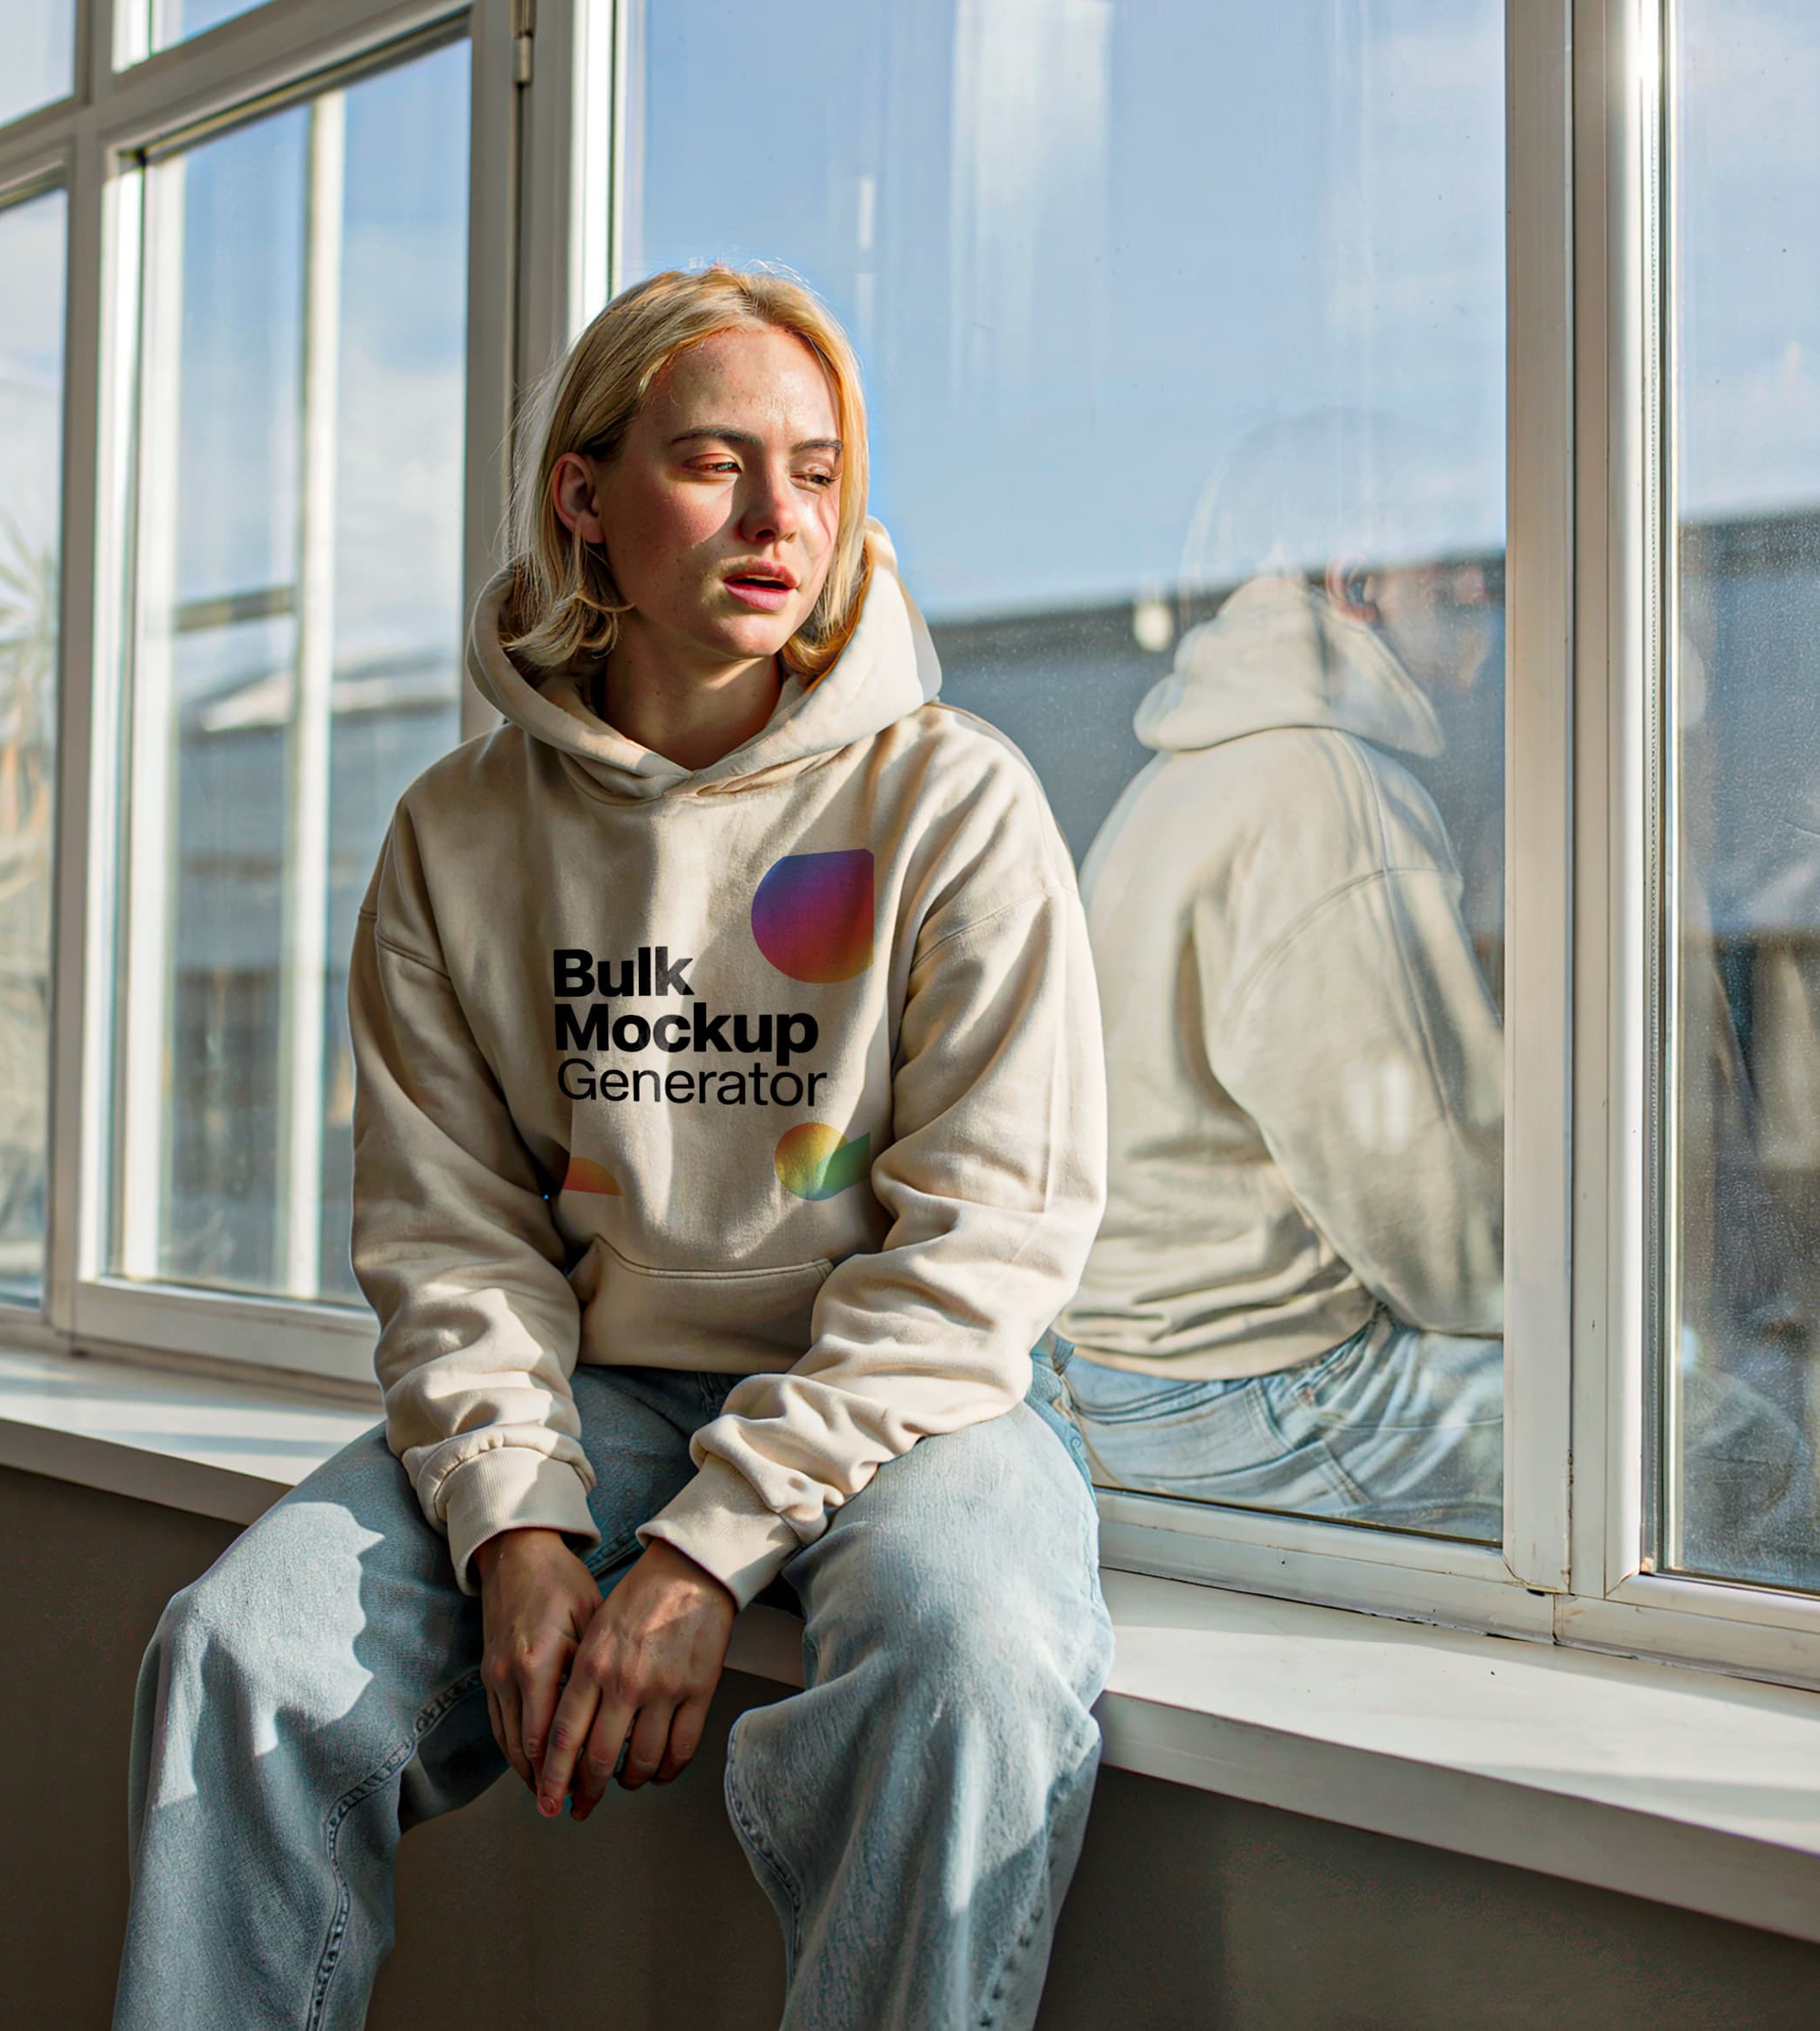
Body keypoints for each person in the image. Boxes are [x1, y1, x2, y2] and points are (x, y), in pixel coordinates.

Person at [114, 267, 1113, 2031]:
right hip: (595, 1382)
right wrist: (515, 1527)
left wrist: (695, 1555)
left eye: (814, 469)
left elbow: (985, 1244)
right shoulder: (457, 833)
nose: (774, 516)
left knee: (977, 1666)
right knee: (238, 1651)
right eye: (712, 461)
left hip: (902, 1396)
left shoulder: (951, 798)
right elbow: (451, 1240)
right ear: (584, 497)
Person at [1060, 415, 1805, 1552]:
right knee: (1743, 1450)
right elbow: (1446, 1241)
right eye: (1447, 552)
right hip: (1260, 1398)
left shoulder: (1201, 765)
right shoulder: (1329, 794)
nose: (1484, 576)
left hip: (1126, 1377)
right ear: (1355, 580)